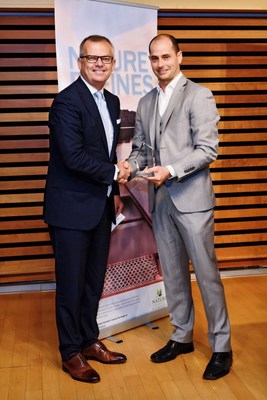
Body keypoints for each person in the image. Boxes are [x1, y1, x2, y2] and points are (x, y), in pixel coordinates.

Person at [126, 34, 232, 380]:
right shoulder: (144, 102)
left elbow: (208, 149)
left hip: (193, 202)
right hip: (161, 201)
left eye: (166, 57)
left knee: (206, 275)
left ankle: (221, 347)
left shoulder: (199, 95)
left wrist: (170, 170)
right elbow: (141, 149)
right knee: (172, 274)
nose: (161, 64)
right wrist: (129, 165)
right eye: (154, 58)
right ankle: (182, 335)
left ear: (179, 56)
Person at [43, 35, 130, 383]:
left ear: (113, 64)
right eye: (91, 58)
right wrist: (114, 173)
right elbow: (73, 156)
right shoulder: (65, 102)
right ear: (79, 62)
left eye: (105, 59)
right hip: (69, 210)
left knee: (93, 282)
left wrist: (116, 189)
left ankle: (89, 340)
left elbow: (106, 154)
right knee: (71, 284)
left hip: (101, 206)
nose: (98, 64)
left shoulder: (111, 100)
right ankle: (70, 353)